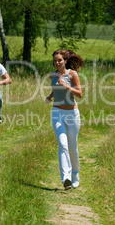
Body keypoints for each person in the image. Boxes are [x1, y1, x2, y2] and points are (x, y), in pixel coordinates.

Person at [45, 49, 84, 190]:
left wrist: (67, 86)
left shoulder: (72, 74)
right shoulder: (53, 75)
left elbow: (79, 94)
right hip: (57, 113)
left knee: (72, 147)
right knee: (63, 144)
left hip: (72, 114)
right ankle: (66, 178)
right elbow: (56, 89)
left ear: (65, 61)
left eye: (59, 60)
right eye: (55, 60)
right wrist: (50, 96)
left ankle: (75, 174)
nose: (57, 63)